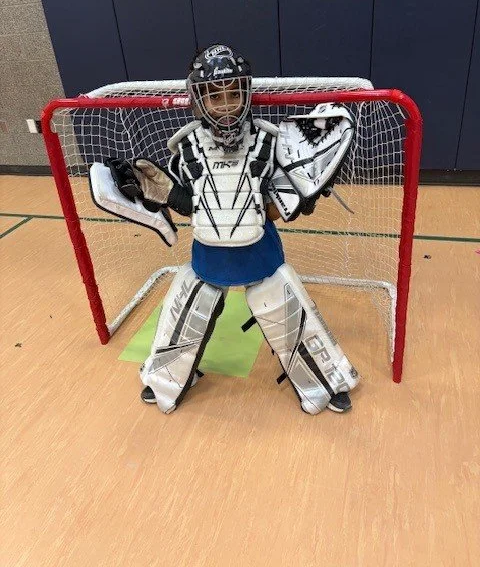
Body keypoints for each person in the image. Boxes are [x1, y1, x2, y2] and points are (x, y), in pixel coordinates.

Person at [90, 44, 359, 415]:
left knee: (286, 311)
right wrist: (164, 193)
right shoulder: (184, 149)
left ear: (247, 92)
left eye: (234, 93)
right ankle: (166, 378)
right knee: (186, 310)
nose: (227, 104)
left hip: (259, 252)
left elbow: (272, 207)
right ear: (199, 98)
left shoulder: (270, 141)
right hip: (208, 254)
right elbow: (199, 205)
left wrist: (302, 195)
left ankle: (325, 382)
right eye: (215, 96)